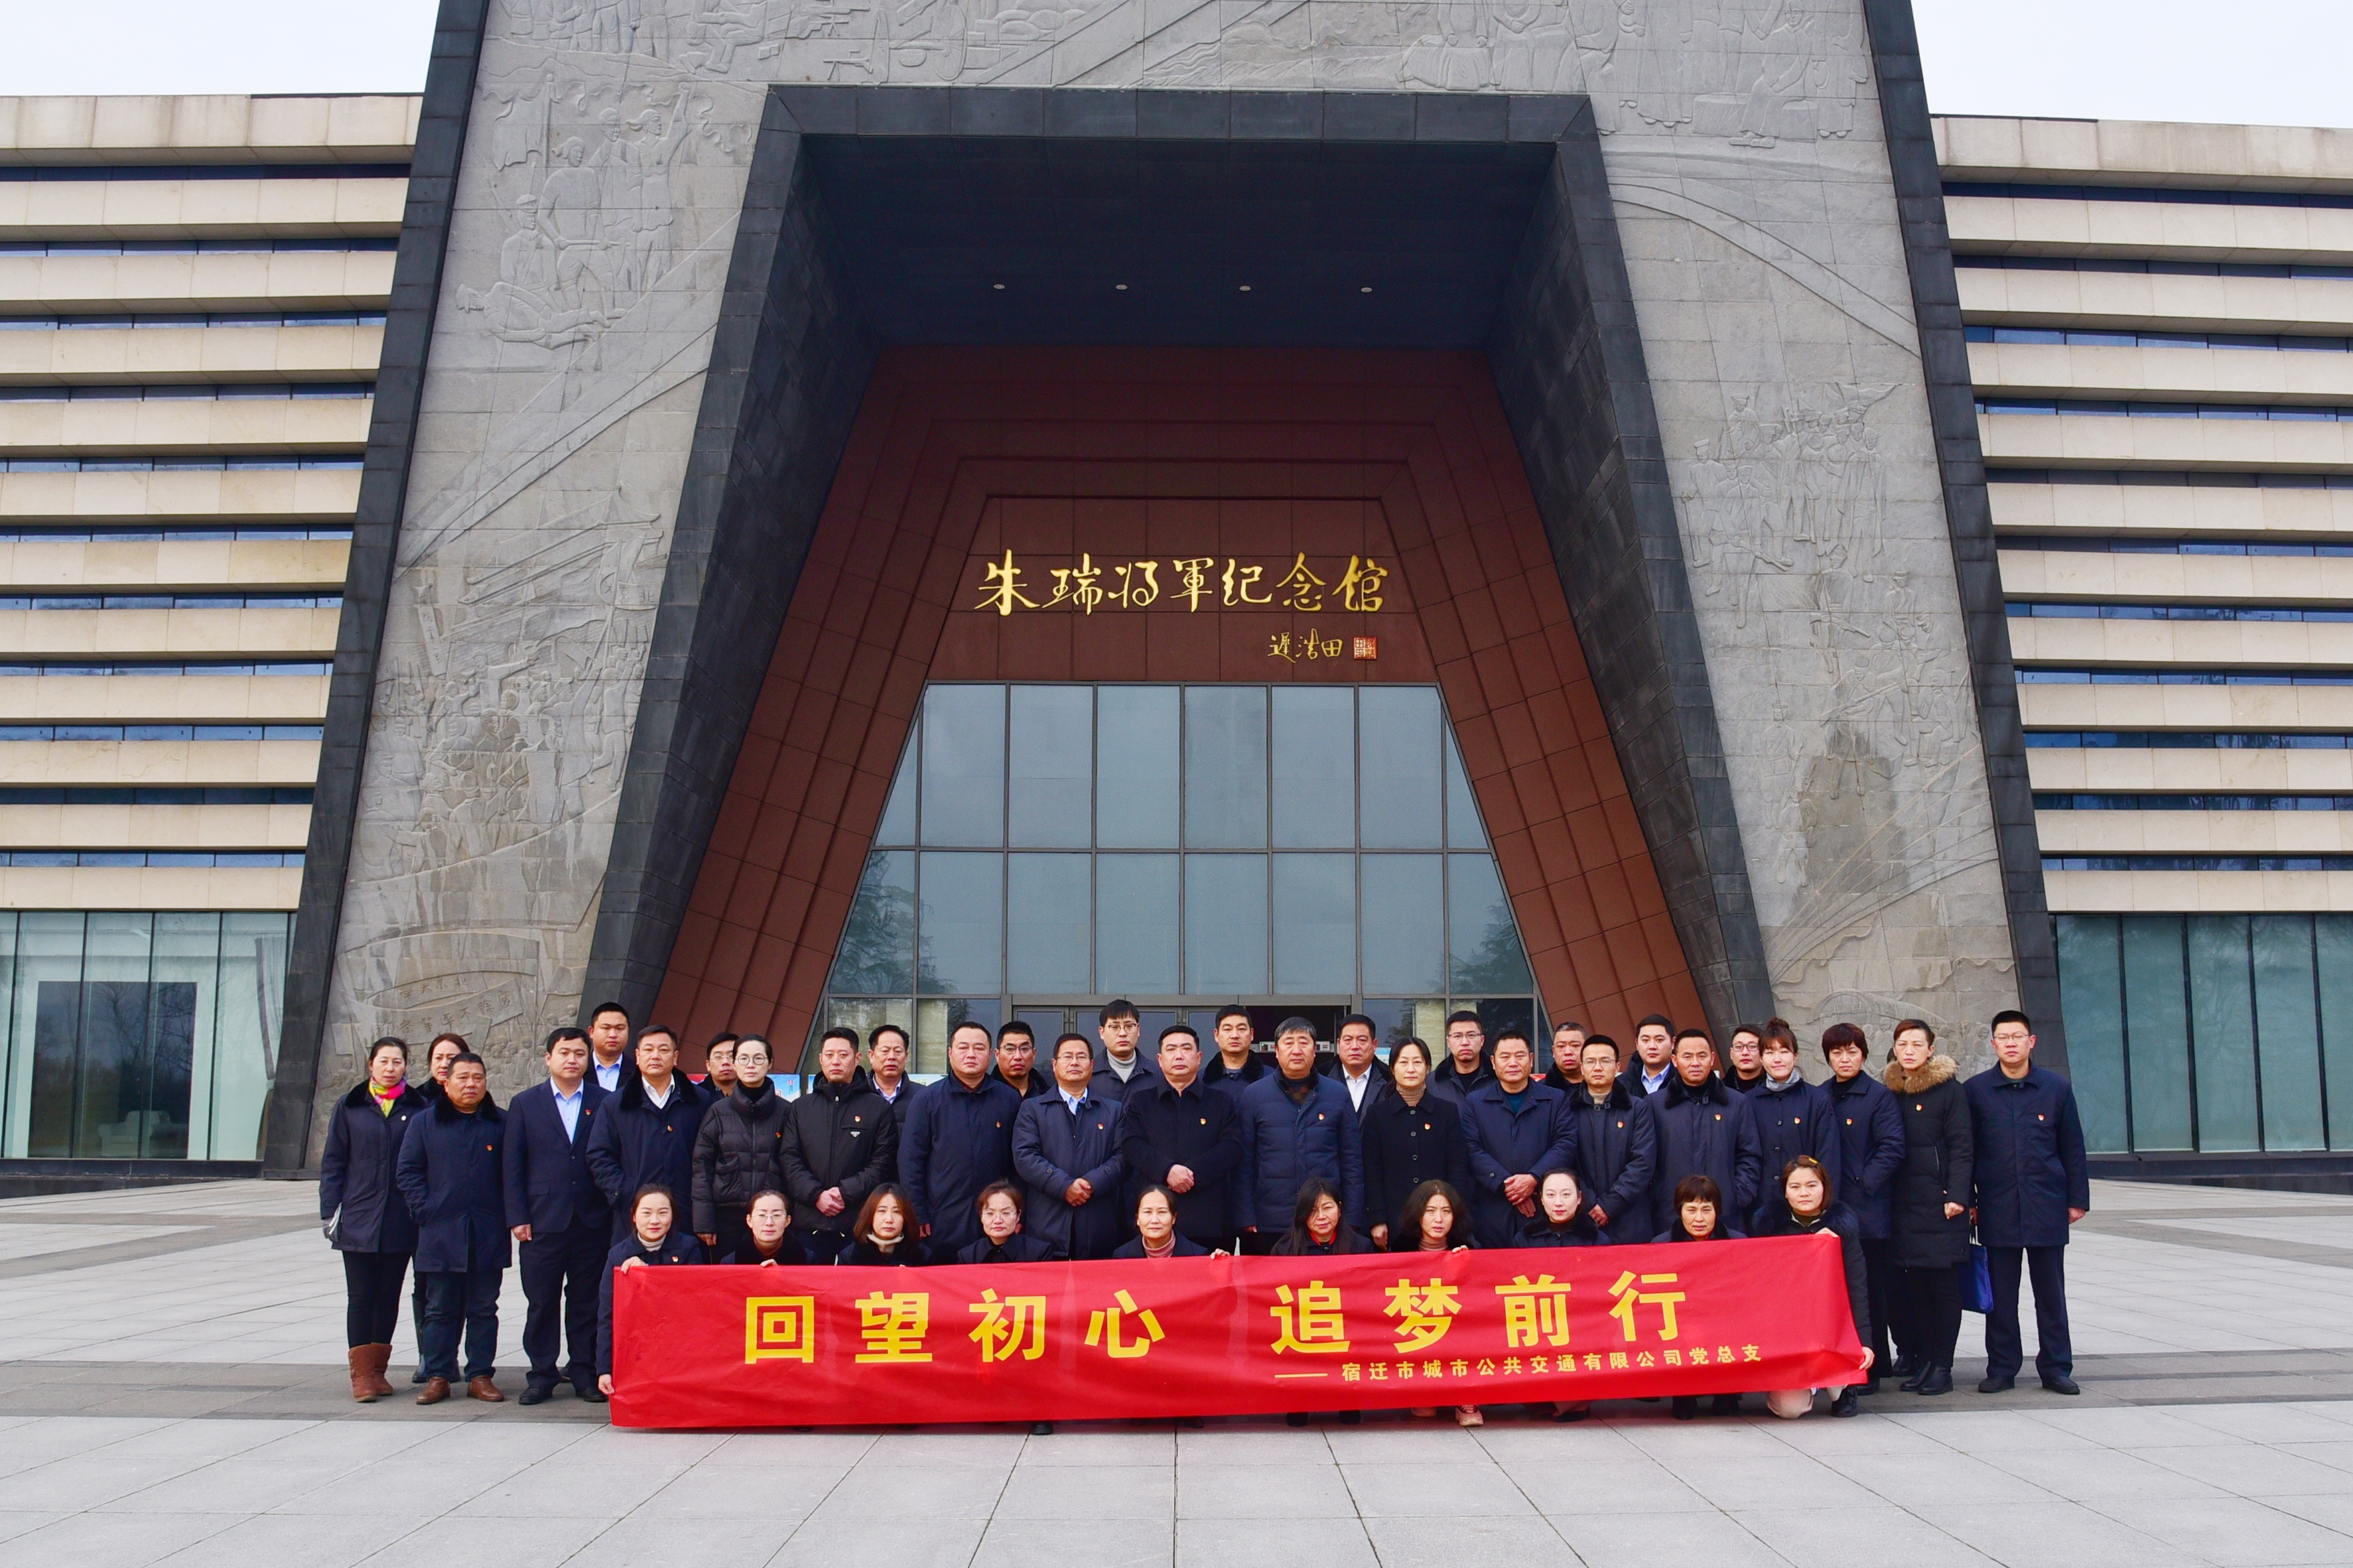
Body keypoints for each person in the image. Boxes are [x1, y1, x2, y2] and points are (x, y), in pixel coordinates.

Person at [1968, 1009, 2090, 1397]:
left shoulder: (2056, 1089)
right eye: (2003, 1038)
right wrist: (1969, 1199)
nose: (2011, 1044)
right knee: (2001, 1296)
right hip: (1996, 1206)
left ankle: (2056, 1368)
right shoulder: (1976, 1091)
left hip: (2046, 1205)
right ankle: (2002, 1368)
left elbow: (2073, 1148)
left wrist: (2077, 1199)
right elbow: (1967, 1152)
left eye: (2017, 1037)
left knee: (2050, 1295)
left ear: (2031, 1041)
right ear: (1993, 1044)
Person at [503, 1027, 612, 1405]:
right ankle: (541, 1375)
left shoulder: (604, 1101)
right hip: (541, 1221)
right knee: (541, 1303)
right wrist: (517, 1216)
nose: (572, 1060)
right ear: (548, 1058)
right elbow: (513, 1164)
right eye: (564, 1053)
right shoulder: (525, 1103)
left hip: (592, 1220)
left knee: (586, 1303)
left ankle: (583, 1372)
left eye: (580, 1054)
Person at [395, 1051, 509, 1405]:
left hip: (487, 1231)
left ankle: (480, 1375)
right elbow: (408, 1171)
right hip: (439, 1232)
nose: (471, 1084)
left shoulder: (501, 1123)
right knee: (439, 1308)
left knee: (484, 1308)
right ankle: (439, 1375)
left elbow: (515, 1173)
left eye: (478, 1078)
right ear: (446, 1083)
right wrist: (425, 1210)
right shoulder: (425, 1123)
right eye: (463, 1078)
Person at [320, 1035, 425, 1402]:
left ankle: (379, 1370)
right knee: (362, 1296)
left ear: (406, 1066)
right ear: (371, 1065)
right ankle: (361, 1375)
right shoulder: (350, 1106)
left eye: (397, 1062)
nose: (390, 1068)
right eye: (384, 1061)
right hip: (359, 1215)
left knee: (389, 1295)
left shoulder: (418, 1107)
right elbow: (334, 1162)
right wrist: (330, 1209)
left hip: (401, 1216)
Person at [1884, 1018, 1972, 1396]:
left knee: (1942, 1286)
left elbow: (1962, 1147)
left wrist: (1958, 1195)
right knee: (1915, 1287)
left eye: (1917, 1044)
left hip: (1940, 1205)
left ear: (1931, 1050)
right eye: (1903, 1044)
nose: (1909, 1051)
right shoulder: (1890, 1091)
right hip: (1903, 1205)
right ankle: (1924, 1361)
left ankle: (1943, 1366)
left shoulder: (1950, 1091)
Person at [1753, 1157, 1875, 1418]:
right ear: (1785, 1192)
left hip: (1830, 1324)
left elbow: (1857, 1288)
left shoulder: (1842, 1229)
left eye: (1812, 1185)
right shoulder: (1769, 1229)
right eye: (1795, 1187)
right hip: (1788, 1330)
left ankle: (1843, 1388)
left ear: (1825, 1188)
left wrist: (1863, 1342)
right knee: (1789, 1410)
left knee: (1842, 1386)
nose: (1804, 1193)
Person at [1235, 1017, 1365, 1251]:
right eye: (1288, 1043)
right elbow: (1244, 1161)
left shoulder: (1337, 1094)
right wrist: (1246, 1214)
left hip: (1324, 1222)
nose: (1296, 1050)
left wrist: (1353, 1214)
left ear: (1315, 1051)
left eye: (1304, 1043)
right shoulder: (1254, 1095)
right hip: (1271, 1220)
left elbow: (1352, 1160)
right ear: (1276, 1051)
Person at [1824, 1022, 1905, 1392]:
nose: (1845, 1059)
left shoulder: (1878, 1096)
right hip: (1829, 1208)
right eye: (1837, 1052)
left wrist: (1863, 1181)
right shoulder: (1821, 1095)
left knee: (1870, 1291)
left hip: (1868, 1212)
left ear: (1863, 1055)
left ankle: (1874, 1368)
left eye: (1852, 1052)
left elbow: (1892, 1147)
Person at [1120, 1023, 1246, 1250]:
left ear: (1199, 1058)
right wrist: (1167, 1171)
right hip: (1156, 1221)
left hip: (1210, 1219)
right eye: (1171, 1049)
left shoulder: (1221, 1102)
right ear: (1160, 1060)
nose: (1179, 1055)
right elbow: (1132, 1145)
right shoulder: (1141, 1102)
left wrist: (1192, 1174)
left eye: (1186, 1049)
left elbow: (1232, 1148)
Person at [901, 1022, 1022, 1254]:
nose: (971, 1054)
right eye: (963, 1047)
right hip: (941, 1218)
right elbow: (910, 1162)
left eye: (979, 1048)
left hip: (996, 1221)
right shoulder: (926, 1100)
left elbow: (1018, 1164)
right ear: (950, 1053)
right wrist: (917, 1212)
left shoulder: (1009, 1099)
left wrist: (1017, 1212)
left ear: (990, 1055)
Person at [781, 1026, 896, 1262]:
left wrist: (845, 1193)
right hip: (809, 1223)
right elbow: (789, 1158)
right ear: (821, 1059)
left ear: (857, 1058)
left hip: (858, 1223)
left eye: (843, 1055)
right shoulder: (801, 1108)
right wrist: (816, 1195)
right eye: (829, 1055)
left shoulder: (878, 1108)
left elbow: (883, 1162)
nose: (836, 1061)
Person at [586, 1025, 710, 1242]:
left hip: (686, 1213)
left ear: (675, 1057)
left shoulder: (699, 1100)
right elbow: (599, 1155)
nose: (655, 1056)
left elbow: (710, 1155)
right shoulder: (616, 1104)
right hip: (634, 1215)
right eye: (648, 1049)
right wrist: (625, 1194)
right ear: (637, 1056)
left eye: (663, 1050)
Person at [1013, 1033, 1130, 1260]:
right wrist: (1064, 1186)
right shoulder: (1033, 1109)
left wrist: (1091, 1184)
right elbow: (1025, 1157)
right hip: (1047, 1223)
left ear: (1092, 1065)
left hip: (1098, 1223)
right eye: (1067, 1057)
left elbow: (1123, 1157)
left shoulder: (1114, 1111)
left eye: (1081, 1057)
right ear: (1055, 1065)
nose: (1074, 1062)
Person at [1461, 1028, 1576, 1249]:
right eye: (1505, 1057)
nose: (1513, 1063)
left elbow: (1565, 1144)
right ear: (1493, 1062)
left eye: (1520, 1056)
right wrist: (1507, 1184)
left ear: (1531, 1060)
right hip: (1491, 1210)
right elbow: (1471, 1149)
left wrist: (1533, 1178)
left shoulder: (1555, 1099)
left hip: (1542, 1208)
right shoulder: (1475, 1102)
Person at [1361, 1038, 1472, 1250]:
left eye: (1418, 1062)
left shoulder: (1447, 1112)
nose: (1411, 1069)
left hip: (1439, 1221)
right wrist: (1377, 1219)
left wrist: (1454, 1214)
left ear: (1427, 1067)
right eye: (1403, 1062)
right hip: (1394, 1220)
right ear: (1392, 1069)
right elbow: (1372, 1172)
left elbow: (1457, 1168)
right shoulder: (1377, 1115)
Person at [1651, 1028, 1763, 1238]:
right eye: (1687, 1056)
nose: (1695, 1063)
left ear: (1712, 1059)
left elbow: (1750, 1156)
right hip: (1670, 1217)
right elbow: (1648, 1162)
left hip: (1726, 1216)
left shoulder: (1737, 1103)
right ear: (1674, 1060)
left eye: (1701, 1056)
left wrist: (1736, 1196)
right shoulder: (1655, 1105)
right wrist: (1661, 1197)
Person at [595, 1185, 701, 1399]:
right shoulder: (618, 1255)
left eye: (663, 1213)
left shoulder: (688, 1247)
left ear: (673, 1216)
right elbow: (607, 1315)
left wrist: (649, 1275)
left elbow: (694, 1300)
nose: (655, 1221)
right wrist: (604, 1370)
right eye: (646, 1213)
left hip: (679, 1343)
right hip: (638, 1345)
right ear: (634, 1217)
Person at [692, 1033, 790, 1262]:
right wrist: (704, 1221)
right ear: (735, 1063)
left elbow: (794, 1164)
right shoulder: (718, 1112)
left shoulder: (787, 1111)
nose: (751, 1065)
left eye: (758, 1058)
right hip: (728, 1219)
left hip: (773, 1219)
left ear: (770, 1063)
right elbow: (701, 1167)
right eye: (744, 1059)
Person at [403, 1031, 466, 1383]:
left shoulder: (471, 1099)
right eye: (439, 1057)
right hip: (422, 1213)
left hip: (459, 1214)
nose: (445, 1064)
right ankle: (429, 1356)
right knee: (425, 1286)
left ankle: (448, 1356)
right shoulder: (416, 1102)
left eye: (452, 1057)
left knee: (457, 1287)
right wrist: (423, 1206)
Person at [1656, 1174, 1743, 1419]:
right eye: (1691, 1210)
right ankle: (1684, 1394)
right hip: (1682, 1320)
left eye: (1706, 1210)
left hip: (1726, 1319)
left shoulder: (1739, 1243)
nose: (1699, 1219)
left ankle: (1727, 1393)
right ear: (1679, 1211)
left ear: (1717, 1211)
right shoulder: (1660, 1246)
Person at [1396, 1179, 1481, 1428]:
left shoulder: (1468, 1249)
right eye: (1430, 1211)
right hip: (1418, 1328)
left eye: (1446, 1211)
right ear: (1418, 1215)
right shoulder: (1400, 1250)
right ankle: (1425, 1392)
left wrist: (1463, 1266)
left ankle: (1467, 1399)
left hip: (1457, 1330)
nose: (1438, 1219)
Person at [1744, 1018, 1841, 1229]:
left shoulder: (1817, 1099)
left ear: (1795, 1056)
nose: (1777, 1059)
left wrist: (1824, 1205)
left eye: (1784, 1051)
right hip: (1760, 1208)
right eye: (1770, 1052)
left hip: (1806, 1209)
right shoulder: (1749, 1102)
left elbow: (1828, 1155)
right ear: (1761, 1058)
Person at [1564, 1033, 1656, 1244]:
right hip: (1581, 1216)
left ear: (1617, 1067)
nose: (1598, 1068)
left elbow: (1643, 1163)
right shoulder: (1567, 1109)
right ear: (1582, 1068)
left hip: (1630, 1217)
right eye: (1591, 1062)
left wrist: (1610, 1204)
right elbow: (1564, 1160)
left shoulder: (1637, 1108)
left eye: (1605, 1061)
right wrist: (1587, 1202)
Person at [957, 1181, 1061, 1262]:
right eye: (990, 1213)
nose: (998, 1220)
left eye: (1006, 1213)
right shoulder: (968, 1256)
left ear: (1018, 1216)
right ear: (981, 1216)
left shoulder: (1039, 1252)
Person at [1113, 1184, 1225, 1259]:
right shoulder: (1122, 1256)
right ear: (1137, 1219)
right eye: (1148, 1212)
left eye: (1162, 1212)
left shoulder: (1197, 1255)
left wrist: (1221, 1266)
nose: (1155, 1220)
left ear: (1174, 1218)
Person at [1272, 1177, 1370, 1257]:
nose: (1321, 1216)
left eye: (1327, 1208)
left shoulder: (1361, 1248)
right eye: (1312, 1210)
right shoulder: (1285, 1251)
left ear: (1339, 1208)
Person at [1089, 999, 1160, 1105]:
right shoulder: (1088, 1074)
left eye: (1129, 1026)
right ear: (1102, 1032)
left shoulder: (1157, 1074)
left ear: (1138, 1030)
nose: (1122, 1033)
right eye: (1115, 1027)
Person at [840, 1185, 932, 1266]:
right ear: (870, 1215)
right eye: (882, 1211)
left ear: (906, 1218)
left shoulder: (922, 1256)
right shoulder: (850, 1257)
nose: (889, 1220)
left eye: (897, 1212)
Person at [1319, 1013, 1389, 1114]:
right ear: (1339, 1044)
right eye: (1348, 1040)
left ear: (1374, 1045)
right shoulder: (1320, 1078)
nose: (1355, 1046)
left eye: (1362, 1040)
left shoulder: (1390, 1079)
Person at [866, 1023, 918, 1157]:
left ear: (906, 1056)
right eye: (885, 1051)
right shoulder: (858, 1095)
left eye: (898, 1051)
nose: (892, 1057)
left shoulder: (922, 1097)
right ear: (871, 1056)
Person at [720, 1189, 809, 1265]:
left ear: (788, 1221)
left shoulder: (810, 1261)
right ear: (749, 1220)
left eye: (777, 1215)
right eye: (762, 1215)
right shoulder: (730, 1263)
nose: (769, 1223)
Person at [1427, 1010, 1493, 1109]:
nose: (1465, 1042)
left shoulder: (1498, 1078)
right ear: (1448, 1042)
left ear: (1482, 1040)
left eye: (1471, 1035)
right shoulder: (1432, 1083)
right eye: (1458, 1036)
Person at [1520, 1169, 1593, 1248]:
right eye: (1551, 1195)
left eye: (1566, 1194)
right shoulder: (1524, 1239)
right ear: (1542, 1199)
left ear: (1579, 1197)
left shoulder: (1595, 1239)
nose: (1558, 1203)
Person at [1201, 1004, 1264, 1092]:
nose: (1235, 1035)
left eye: (1241, 1029)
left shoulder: (1270, 1079)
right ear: (1216, 1035)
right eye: (1227, 1029)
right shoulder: (1200, 1081)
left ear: (1251, 1034)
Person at [1619, 1014, 1676, 1100]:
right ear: (1637, 1044)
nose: (1652, 1046)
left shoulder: (1686, 1080)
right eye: (1645, 1040)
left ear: (1673, 1043)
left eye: (1659, 1040)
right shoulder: (1620, 1085)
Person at [992, 1021, 1049, 1101]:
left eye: (1024, 1049)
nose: (1018, 1057)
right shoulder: (985, 1096)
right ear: (997, 1055)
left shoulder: (1048, 1095)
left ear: (1034, 1054)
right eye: (1010, 1049)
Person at [586, 1002, 632, 1093]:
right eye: (606, 1028)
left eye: (620, 1028)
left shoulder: (640, 1073)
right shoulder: (578, 1069)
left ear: (628, 1031)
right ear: (592, 1032)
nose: (613, 1035)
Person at [1724, 1024, 1767, 1093]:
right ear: (1731, 1054)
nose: (1745, 1053)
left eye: (1752, 1046)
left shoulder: (1777, 1087)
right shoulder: (1721, 1091)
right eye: (1738, 1047)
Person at [701, 1033, 740, 1100]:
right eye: (718, 1057)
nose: (725, 1062)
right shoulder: (695, 1096)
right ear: (708, 1065)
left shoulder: (757, 1095)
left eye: (732, 1056)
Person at [1547, 1021, 1585, 1085]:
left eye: (1575, 1046)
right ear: (1554, 1051)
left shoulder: (1602, 1085)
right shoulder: (1539, 1090)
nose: (1568, 1052)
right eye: (1561, 1046)